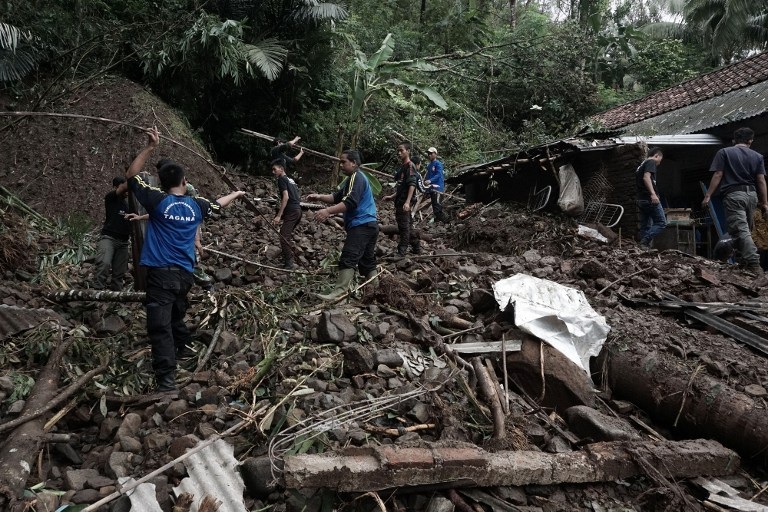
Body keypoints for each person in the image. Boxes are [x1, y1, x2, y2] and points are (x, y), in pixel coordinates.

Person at [126, 126, 246, 393]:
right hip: (185, 275)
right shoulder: (196, 205)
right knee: (175, 315)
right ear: (184, 181)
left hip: (161, 274)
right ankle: (184, 348)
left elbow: (131, 176)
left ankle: (167, 381)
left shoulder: (156, 201)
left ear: (162, 182)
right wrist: (237, 194)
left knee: (159, 327)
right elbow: (217, 203)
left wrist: (149, 147)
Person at [307, 150, 378, 301]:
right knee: (367, 261)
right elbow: (336, 197)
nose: (341, 165)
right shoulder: (351, 180)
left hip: (362, 224)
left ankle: (339, 293)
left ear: (354, 163)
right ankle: (377, 292)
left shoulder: (357, 177)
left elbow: (351, 202)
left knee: (349, 256)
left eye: (343, 162)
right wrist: (319, 197)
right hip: (370, 225)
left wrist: (327, 211)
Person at [702, 127, 768, 274]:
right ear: (750, 140)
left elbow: (718, 174)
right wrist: (765, 203)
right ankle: (744, 262)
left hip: (734, 196)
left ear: (734, 140)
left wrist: (708, 196)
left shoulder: (724, 152)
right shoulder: (757, 156)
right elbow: (761, 180)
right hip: (752, 195)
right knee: (743, 231)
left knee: (741, 230)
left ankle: (753, 263)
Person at [92, 176, 131, 290]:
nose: (126, 192)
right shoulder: (111, 198)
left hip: (123, 242)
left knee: (119, 272)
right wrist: (136, 178)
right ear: (115, 187)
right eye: (123, 189)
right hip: (109, 238)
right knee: (103, 263)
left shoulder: (127, 205)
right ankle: (97, 292)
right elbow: (123, 188)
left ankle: (117, 297)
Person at [383, 142, 420, 256]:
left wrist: (408, 202)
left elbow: (412, 185)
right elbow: (402, 186)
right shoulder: (403, 167)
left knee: (403, 227)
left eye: (401, 150)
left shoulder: (410, 166)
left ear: (408, 151)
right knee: (408, 226)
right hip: (400, 200)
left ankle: (401, 251)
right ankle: (416, 247)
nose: (399, 153)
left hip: (404, 202)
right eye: (398, 151)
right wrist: (392, 196)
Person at [272, 159, 302, 269]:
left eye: (275, 169)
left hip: (292, 211)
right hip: (298, 210)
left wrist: (279, 215)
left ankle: (289, 263)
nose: (273, 172)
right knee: (286, 235)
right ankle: (288, 259)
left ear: (281, 169)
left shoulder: (281, 179)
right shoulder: (290, 180)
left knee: (283, 237)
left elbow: (286, 197)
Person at [635, 147, 666, 249]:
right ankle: (644, 241)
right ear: (656, 155)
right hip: (649, 199)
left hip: (641, 199)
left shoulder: (641, 165)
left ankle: (643, 248)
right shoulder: (651, 162)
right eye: (659, 160)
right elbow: (646, 177)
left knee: (645, 225)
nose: (659, 164)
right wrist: (653, 194)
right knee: (661, 223)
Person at [424, 146, 447, 223]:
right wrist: (427, 188)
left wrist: (430, 181)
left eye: (431, 153)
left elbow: (439, 175)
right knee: (435, 206)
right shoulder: (429, 165)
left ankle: (444, 221)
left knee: (437, 206)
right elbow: (428, 176)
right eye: (428, 153)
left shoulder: (438, 164)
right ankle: (438, 222)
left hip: (438, 188)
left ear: (435, 154)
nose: (429, 155)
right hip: (432, 188)